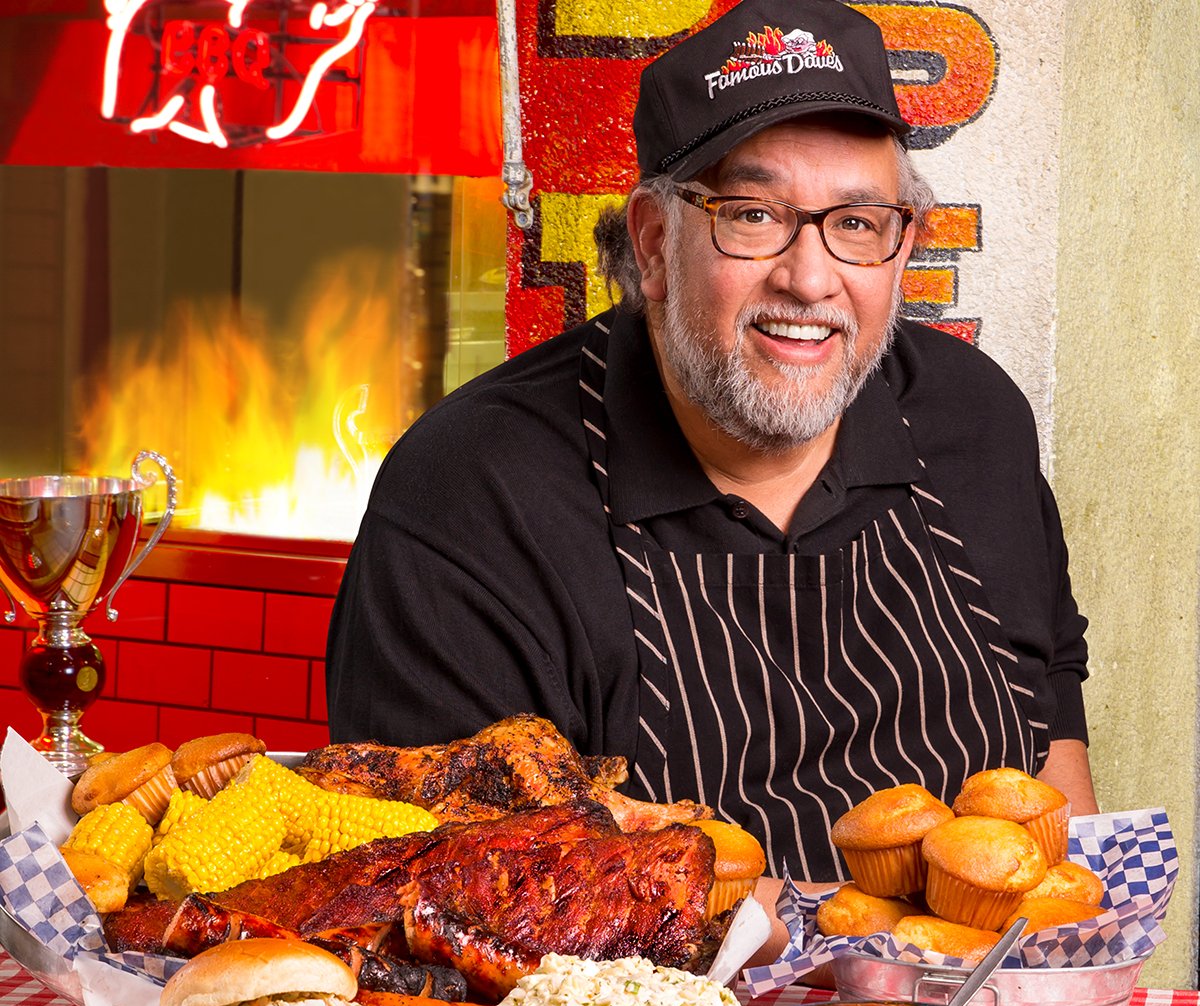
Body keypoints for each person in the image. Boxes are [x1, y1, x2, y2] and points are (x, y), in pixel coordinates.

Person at [326, 0, 1097, 922]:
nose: (810, 279)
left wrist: (1068, 957)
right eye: (753, 215)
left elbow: (1049, 739)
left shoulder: (974, 418)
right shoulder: (470, 493)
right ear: (653, 242)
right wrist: (837, 946)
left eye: (856, 223)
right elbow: (453, 889)